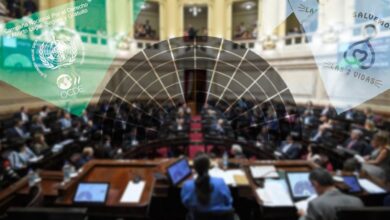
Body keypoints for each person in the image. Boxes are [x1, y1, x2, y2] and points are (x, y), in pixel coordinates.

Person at [181, 153, 233, 217]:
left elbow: (186, 204)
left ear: (194, 168)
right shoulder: (220, 182)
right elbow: (229, 201)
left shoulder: (187, 185)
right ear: (209, 167)